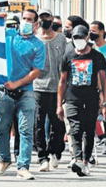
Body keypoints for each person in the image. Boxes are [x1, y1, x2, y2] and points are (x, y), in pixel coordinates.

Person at [0, 9, 45, 180]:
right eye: (24, 18)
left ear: (36, 24)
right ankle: (4, 159)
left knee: (26, 130)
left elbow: (36, 71)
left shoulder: (38, 45)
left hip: (26, 92)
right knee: (2, 128)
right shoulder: (9, 35)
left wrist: (18, 83)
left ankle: (23, 166)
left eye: (30, 19)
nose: (26, 22)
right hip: (4, 91)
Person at [57, 25, 106, 177]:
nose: (79, 41)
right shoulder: (68, 56)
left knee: (88, 130)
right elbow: (62, 81)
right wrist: (59, 104)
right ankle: (78, 158)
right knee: (75, 129)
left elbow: (104, 81)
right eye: (76, 38)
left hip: (91, 99)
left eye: (81, 37)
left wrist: (105, 103)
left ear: (87, 38)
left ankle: (85, 161)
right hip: (72, 98)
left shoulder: (97, 57)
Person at [33, 10, 66, 172]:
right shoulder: (34, 39)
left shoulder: (61, 39)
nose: (45, 20)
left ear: (52, 19)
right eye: (42, 18)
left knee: (58, 124)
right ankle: (42, 157)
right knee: (38, 124)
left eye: (48, 17)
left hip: (57, 87)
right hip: (37, 87)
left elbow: (67, 63)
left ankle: (55, 151)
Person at [89, 20, 106, 155]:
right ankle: (99, 137)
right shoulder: (90, 48)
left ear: (102, 32)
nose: (91, 33)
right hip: (93, 85)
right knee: (93, 113)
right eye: (90, 31)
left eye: (94, 31)